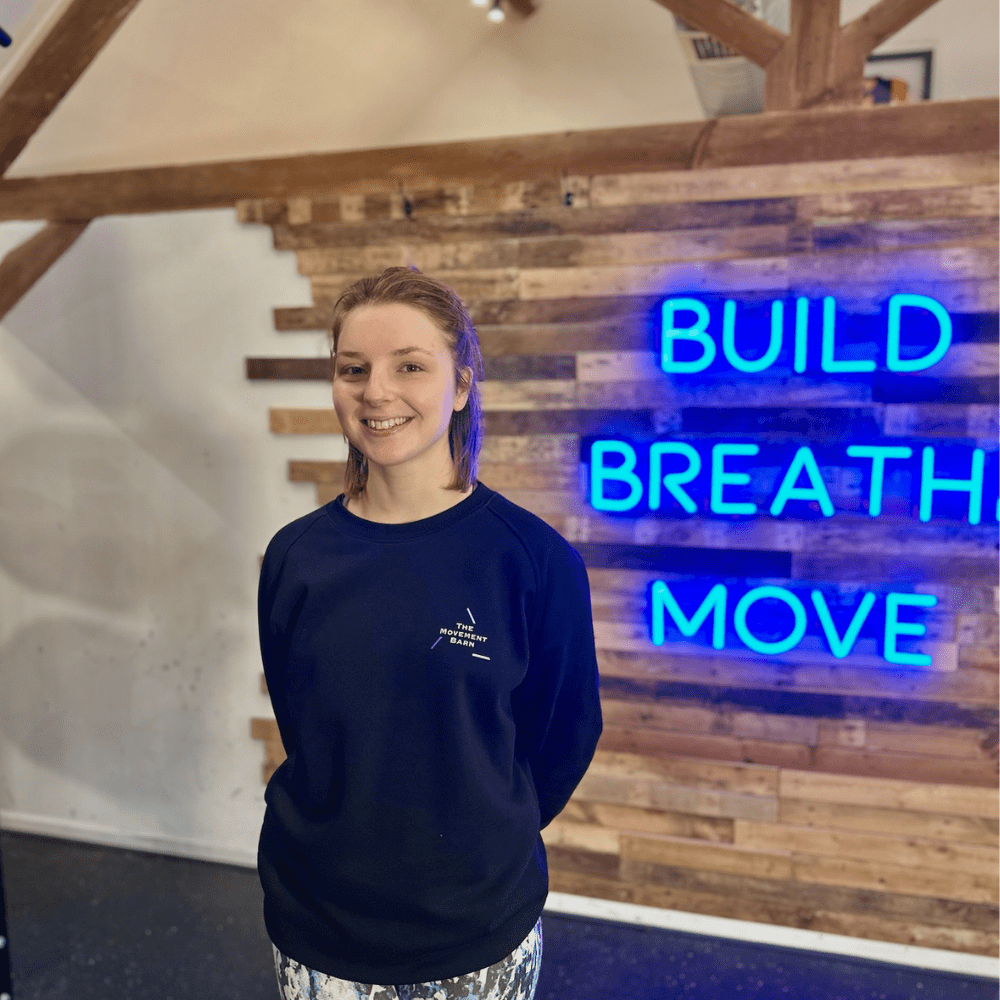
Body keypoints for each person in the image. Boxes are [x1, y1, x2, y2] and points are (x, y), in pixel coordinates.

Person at [256, 266, 603, 999]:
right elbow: (305, 723)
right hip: (319, 922)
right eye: (354, 370)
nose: (376, 391)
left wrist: (479, 833)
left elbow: (562, 735)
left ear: (463, 385)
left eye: (409, 366)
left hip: (475, 930)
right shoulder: (296, 556)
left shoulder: (533, 560)